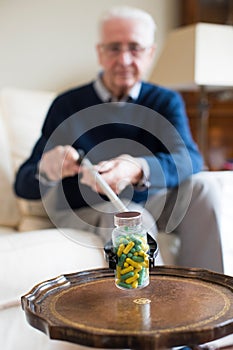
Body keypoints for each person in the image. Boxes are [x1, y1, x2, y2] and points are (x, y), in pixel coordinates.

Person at [14, 6, 223, 272]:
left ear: (150, 53)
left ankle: (213, 301)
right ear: (100, 53)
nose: (124, 60)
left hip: (153, 199)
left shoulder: (165, 100)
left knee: (205, 190)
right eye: (114, 48)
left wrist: (138, 168)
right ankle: (152, 308)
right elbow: (23, 183)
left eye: (135, 48)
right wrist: (46, 169)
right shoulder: (67, 105)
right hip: (88, 209)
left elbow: (190, 160)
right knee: (131, 217)